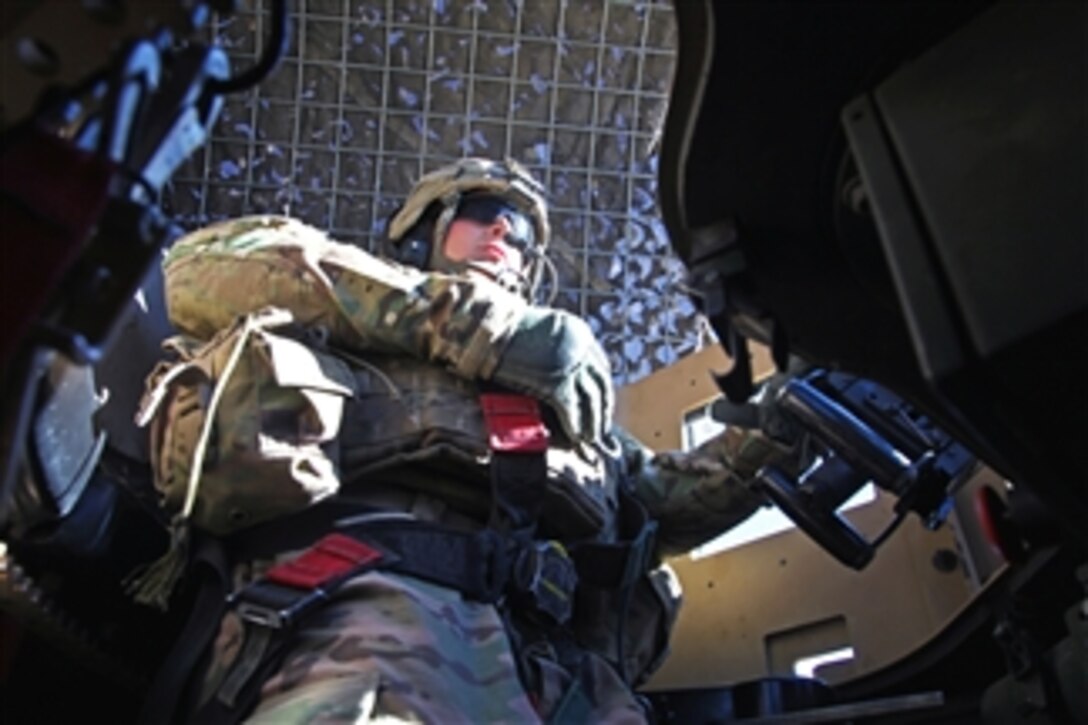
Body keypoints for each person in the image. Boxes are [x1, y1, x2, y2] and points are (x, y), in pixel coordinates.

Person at [133, 157, 793, 723]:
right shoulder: (338, 309)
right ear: (422, 234)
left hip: (554, 669)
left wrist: (785, 427)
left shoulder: (566, 408)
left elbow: (667, 500)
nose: (509, 230)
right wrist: (475, 327)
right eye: (483, 209)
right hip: (367, 608)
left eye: (527, 234)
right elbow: (190, 272)